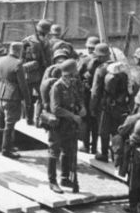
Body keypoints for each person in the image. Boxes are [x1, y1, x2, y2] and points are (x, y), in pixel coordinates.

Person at [48, 59, 84, 193]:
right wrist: (73, 116)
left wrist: (82, 108)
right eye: (74, 73)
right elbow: (55, 109)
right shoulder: (57, 87)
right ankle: (52, 181)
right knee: (54, 152)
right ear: (68, 74)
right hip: (57, 125)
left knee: (68, 151)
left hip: (69, 126)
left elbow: (78, 99)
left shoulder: (72, 85)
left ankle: (65, 178)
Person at [0, 41, 31, 159]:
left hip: (0, 96)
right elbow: (23, 85)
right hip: (12, 98)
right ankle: (6, 150)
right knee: (9, 125)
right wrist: (27, 101)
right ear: (19, 51)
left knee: (7, 123)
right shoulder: (18, 64)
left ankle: (9, 145)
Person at [79, 42, 109, 153]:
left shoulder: (86, 60)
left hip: (88, 95)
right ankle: (95, 147)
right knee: (96, 122)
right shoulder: (112, 64)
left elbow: (77, 74)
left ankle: (86, 146)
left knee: (87, 120)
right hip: (103, 97)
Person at [115, 91, 140, 177]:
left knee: (117, 138)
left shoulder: (132, 118)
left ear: (137, 104)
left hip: (133, 145)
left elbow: (122, 131)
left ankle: (121, 166)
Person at [22, 20, 52, 125]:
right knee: (42, 97)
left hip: (27, 73)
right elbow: (49, 60)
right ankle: (38, 118)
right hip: (40, 74)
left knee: (29, 98)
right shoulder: (46, 42)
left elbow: (21, 58)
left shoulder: (26, 40)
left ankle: (29, 119)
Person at [88, 43, 113, 161]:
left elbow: (95, 91)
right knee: (116, 129)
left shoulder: (100, 69)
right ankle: (117, 155)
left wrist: (92, 107)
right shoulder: (119, 66)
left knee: (104, 129)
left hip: (104, 105)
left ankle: (104, 154)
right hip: (120, 104)